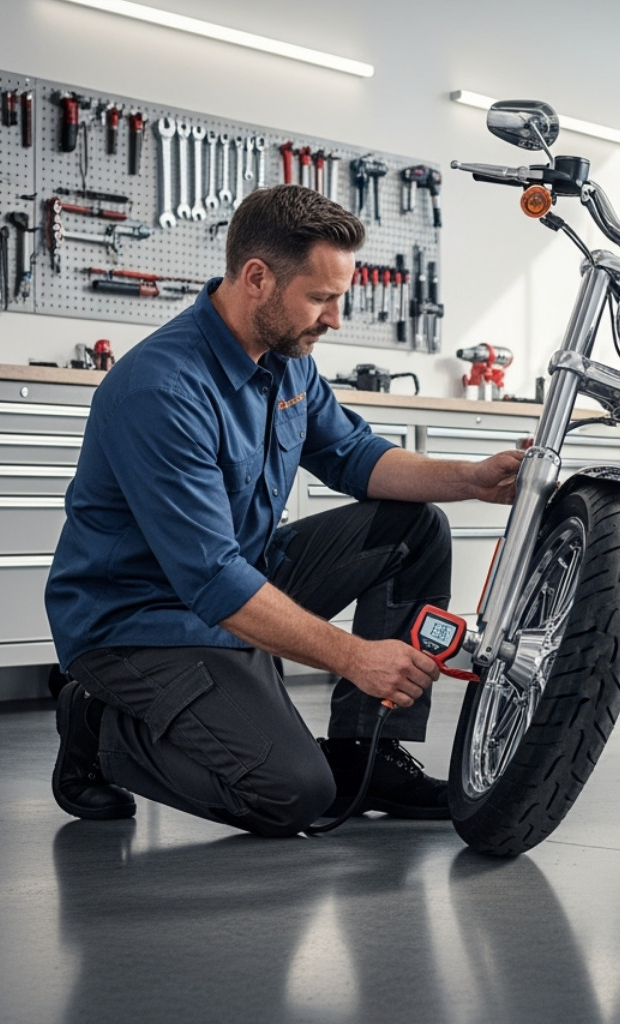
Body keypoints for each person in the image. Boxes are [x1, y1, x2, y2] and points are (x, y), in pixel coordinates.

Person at [44, 185, 523, 836]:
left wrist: (468, 479)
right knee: (291, 794)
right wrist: (355, 656)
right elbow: (210, 578)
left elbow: (354, 456)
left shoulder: (286, 359)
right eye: (322, 298)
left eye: (340, 298)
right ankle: (98, 728)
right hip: (141, 623)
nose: (334, 319)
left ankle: (369, 751)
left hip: (241, 581)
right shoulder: (161, 388)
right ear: (257, 279)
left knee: (415, 526)